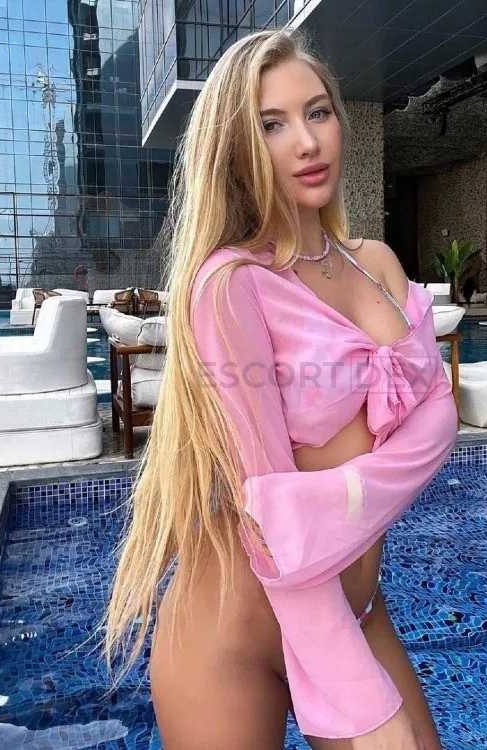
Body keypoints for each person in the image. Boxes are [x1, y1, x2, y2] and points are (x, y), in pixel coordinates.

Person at [104, 29, 457, 749]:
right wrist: (362, 702)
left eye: (318, 112)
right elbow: (270, 520)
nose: (307, 142)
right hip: (234, 634)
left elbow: (439, 411)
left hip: (356, 606)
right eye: (272, 124)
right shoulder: (231, 287)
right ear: (237, 149)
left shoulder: (376, 264)